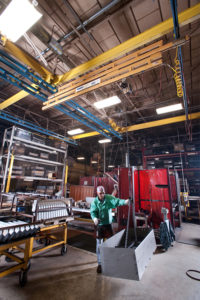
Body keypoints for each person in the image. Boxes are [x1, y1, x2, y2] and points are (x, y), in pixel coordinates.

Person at [90, 185, 129, 273]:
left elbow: (117, 201)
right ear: (97, 193)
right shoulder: (95, 202)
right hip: (99, 225)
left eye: (103, 193)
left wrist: (125, 202)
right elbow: (93, 212)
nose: (102, 195)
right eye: (100, 193)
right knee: (99, 245)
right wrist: (95, 219)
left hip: (108, 225)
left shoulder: (109, 198)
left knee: (111, 243)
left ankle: (110, 260)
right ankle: (100, 263)